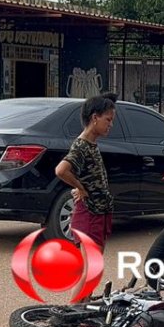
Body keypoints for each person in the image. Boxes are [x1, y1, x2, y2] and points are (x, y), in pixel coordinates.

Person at [55, 92, 117, 250]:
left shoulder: (91, 144)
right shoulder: (81, 145)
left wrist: (79, 186)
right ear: (95, 118)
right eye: (108, 120)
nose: (111, 125)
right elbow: (61, 170)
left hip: (98, 212)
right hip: (89, 214)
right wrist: (80, 188)